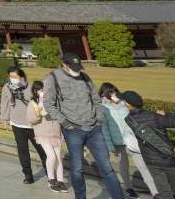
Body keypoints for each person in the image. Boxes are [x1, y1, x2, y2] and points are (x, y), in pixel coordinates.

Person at [43, 53, 125, 199]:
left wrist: (99, 120)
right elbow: (49, 104)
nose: (77, 70)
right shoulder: (53, 78)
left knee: (107, 167)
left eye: (78, 67)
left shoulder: (85, 77)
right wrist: (65, 123)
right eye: (73, 68)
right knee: (77, 169)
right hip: (73, 129)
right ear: (64, 65)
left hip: (94, 128)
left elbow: (96, 99)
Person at [122, 90, 175, 199]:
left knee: (165, 193)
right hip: (169, 157)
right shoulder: (155, 116)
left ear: (127, 104)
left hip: (152, 161)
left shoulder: (128, 120)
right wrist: (166, 114)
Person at [100, 83, 160, 199]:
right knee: (123, 164)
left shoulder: (124, 104)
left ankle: (155, 192)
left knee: (142, 165)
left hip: (132, 141)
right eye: (111, 93)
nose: (114, 95)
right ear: (105, 94)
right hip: (117, 143)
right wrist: (110, 146)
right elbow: (105, 128)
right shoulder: (103, 107)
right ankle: (128, 188)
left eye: (115, 92)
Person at [2, 66, 48, 184]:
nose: (12, 79)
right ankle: (28, 175)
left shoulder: (31, 87)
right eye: (10, 76)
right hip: (16, 123)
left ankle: (50, 172)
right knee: (22, 150)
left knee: (42, 149)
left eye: (15, 77)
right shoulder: (7, 87)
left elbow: (41, 101)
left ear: (21, 77)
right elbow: (5, 103)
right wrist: (4, 119)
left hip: (32, 124)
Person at [30, 79, 67, 192]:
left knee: (58, 158)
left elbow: (60, 118)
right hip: (43, 134)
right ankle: (51, 178)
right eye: (42, 90)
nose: (44, 92)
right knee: (51, 156)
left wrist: (62, 133)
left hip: (56, 134)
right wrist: (38, 114)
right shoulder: (33, 103)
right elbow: (30, 119)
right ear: (36, 91)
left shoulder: (54, 103)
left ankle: (60, 180)